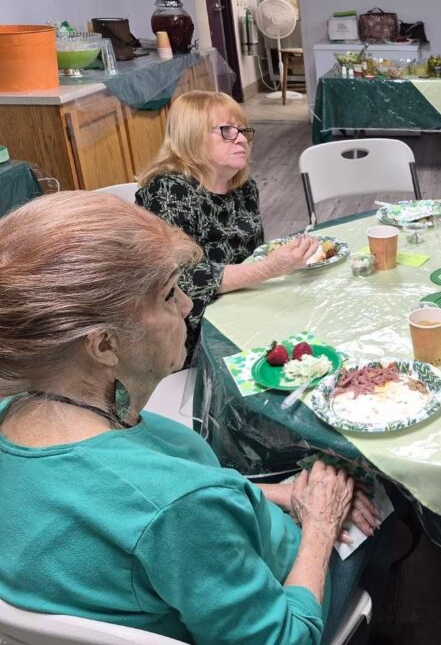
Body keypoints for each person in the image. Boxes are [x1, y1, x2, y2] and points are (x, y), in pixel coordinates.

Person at [0, 192, 387, 645]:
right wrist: (321, 523)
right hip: (283, 594)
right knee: (378, 491)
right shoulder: (180, 505)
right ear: (104, 345)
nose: (187, 305)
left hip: (203, 566)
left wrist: (274, 493)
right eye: (168, 294)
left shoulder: (19, 416)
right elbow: (284, 638)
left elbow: (142, 510)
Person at [136, 90, 316, 359]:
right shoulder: (168, 192)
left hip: (242, 306)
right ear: (192, 135)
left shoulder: (243, 188)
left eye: (243, 131)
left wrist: (275, 264)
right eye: (227, 131)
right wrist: (270, 268)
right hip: (189, 333)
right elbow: (182, 279)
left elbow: (252, 255)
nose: (242, 139)